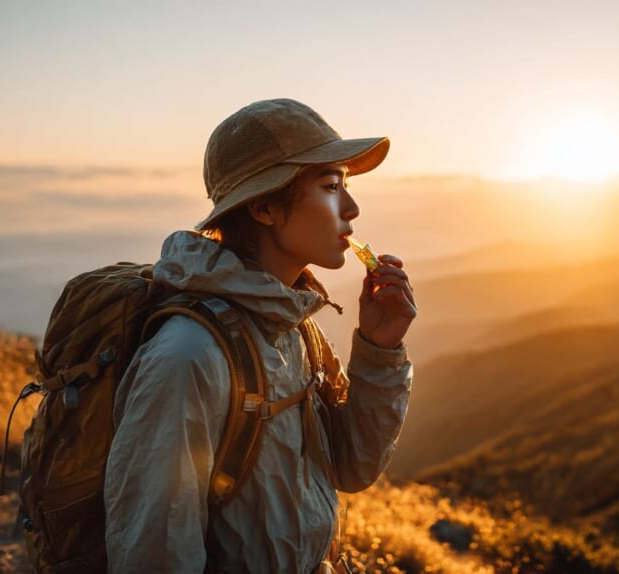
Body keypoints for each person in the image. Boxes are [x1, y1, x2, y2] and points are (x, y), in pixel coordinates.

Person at [102, 99, 416, 572]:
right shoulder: (189, 356)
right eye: (331, 186)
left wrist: (380, 347)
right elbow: (155, 555)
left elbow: (353, 467)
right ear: (265, 206)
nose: (352, 208)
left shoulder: (293, 325)